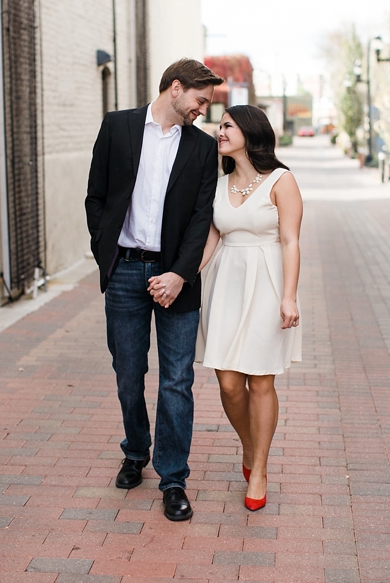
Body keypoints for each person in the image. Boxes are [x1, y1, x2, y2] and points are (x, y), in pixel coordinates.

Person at [85, 58, 222, 522]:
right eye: (200, 100)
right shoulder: (118, 127)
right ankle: (136, 451)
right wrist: (103, 247)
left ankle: (173, 477)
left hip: (176, 275)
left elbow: (202, 217)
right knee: (128, 373)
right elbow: (96, 196)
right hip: (124, 269)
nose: (203, 110)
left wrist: (181, 273)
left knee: (177, 380)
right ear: (176, 88)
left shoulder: (203, 150)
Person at [196, 105, 302, 512]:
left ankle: (258, 468)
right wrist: (185, 275)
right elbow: (211, 240)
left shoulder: (281, 180)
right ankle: (249, 444)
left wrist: (289, 296)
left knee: (260, 382)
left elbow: (291, 241)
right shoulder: (218, 184)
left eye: (226, 125)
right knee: (227, 382)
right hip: (225, 286)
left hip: (269, 284)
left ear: (249, 132)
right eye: (219, 126)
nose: (219, 132)